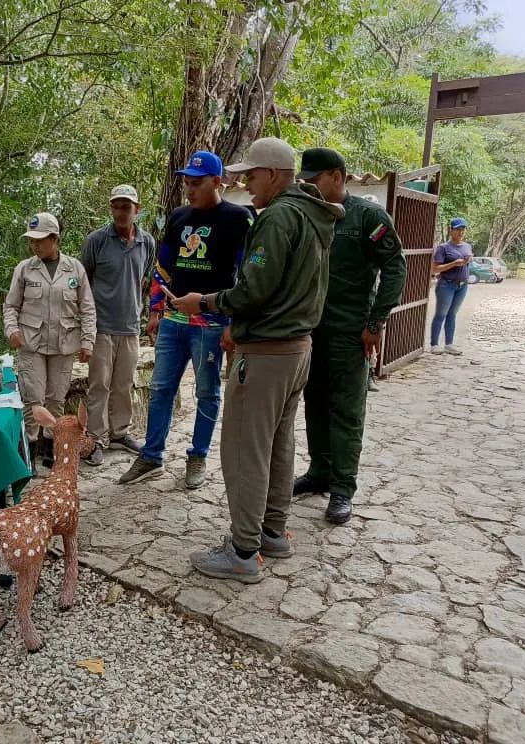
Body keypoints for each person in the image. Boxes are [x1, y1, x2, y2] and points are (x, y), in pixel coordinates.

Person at [171, 137, 344, 583]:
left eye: (251, 175)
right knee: (278, 444)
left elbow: (253, 290)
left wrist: (204, 302)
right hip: (298, 347)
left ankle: (244, 551)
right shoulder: (314, 215)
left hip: (267, 351)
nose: (245, 184)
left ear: (274, 174)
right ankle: (272, 532)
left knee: (245, 449)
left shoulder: (278, 219)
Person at [118, 151, 252, 489]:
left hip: (211, 323)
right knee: (161, 387)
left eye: (197, 183)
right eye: (187, 184)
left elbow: (246, 274)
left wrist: (235, 322)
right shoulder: (179, 217)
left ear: (217, 182)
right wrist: (155, 309)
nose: (189, 190)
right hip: (174, 320)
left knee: (208, 391)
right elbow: (164, 267)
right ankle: (151, 455)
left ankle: (198, 456)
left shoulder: (237, 219)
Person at [291, 148, 407, 524]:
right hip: (310, 331)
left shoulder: (367, 217)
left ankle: (343, 488)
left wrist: (375, 324)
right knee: (314, 403)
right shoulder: (308, 214)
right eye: (305, 180)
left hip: (349, 332)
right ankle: (319, 472)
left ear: (337, 177)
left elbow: (395, 267)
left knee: (347, 411)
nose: (309, 185)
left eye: (315, 179)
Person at [3, 212, 96, 472]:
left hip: (64, 344)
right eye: (32, 240)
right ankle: (28, 451)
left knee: (55, 399)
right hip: (30, 343)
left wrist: (88, 341)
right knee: (33, 400)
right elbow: (10, 305)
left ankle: (49, 448)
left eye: (40, 240)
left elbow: (87, 307)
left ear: (55, 239)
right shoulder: (24, 269)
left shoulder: (74, 269)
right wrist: (12, 330)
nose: (35, 245)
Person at [80, 185, 156, 466]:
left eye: (127, 207)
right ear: (111, 209)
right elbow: (83, 280)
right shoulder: (97, 240)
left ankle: (119, 433)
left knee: (124, 384)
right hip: (101, 325)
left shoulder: (146, 242)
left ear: (137, 209)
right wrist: (84, 325)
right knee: (99, 384)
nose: (121, 212)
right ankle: (96, 439)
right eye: (116, 206)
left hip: (131, 326)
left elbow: (143, 277)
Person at [430, 217, 473, 355]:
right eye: (458, 229)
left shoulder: (467, 246)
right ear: (451, 230)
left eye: (463, 229)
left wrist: (468, 260)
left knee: (452, 314)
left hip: (462, 286)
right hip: (446, 285)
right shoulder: (443, 248)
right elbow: (435, 269)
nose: (460, 232)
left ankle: (449, 344)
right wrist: (454, 263)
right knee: (441, 314)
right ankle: (434, 344)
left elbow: (467, 264)